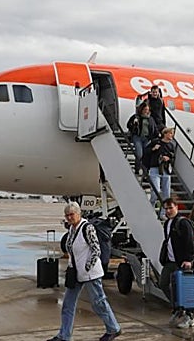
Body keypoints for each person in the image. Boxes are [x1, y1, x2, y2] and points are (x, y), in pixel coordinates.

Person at [48, 202, 122, 341]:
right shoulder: (72, 229)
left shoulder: (87, 228)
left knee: (98, 302)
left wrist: (88, 267)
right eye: (67, 215)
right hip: (76, 273)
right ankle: (64, 336)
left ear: (79, 214)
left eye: (72, 214)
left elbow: (96, 249)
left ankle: (114, 328)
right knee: (68, 305)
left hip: (90, 274)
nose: (69, 218)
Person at [159, 197, 194, 329]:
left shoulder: (183, 223)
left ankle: (189, 316)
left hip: (182, 262)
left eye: (171, 208)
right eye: (166, 208)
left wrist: (189, 259)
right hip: (170, 261)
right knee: (163, 283)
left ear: (177, 207)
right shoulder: (167, 223)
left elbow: (189, 242)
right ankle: (177, 307)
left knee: (185, 290)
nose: (168, 211)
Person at [147, 128, 175, 218]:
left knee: (166, 194)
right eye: (170, 133)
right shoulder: (156, 142)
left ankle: (163, 213)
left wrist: (168, 158)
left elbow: (173, 156)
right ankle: (150, 209)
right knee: (156, 191)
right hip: (155, 168)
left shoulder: (171, 145)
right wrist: (153, 149)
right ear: (165, 134)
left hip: (166, 170)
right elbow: (146, 151)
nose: (172, 135)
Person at [129, 100, 156, 175]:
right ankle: (137, 169)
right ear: (141, 109)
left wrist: (158, 135)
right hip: (138, 137)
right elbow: (128, 125)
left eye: (147, 110)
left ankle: (145, 171)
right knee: (139, 154)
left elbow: (154, 128)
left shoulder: (150, 119)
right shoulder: (136, 117)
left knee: (146, 155)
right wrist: (133, 125)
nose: (146, 111)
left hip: (146, 138)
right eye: (145, 110)